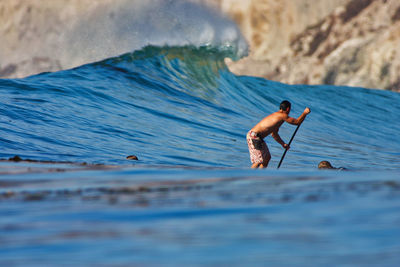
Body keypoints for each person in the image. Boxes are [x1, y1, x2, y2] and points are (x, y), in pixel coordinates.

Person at [247, 100, 311, 168]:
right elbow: (297, 122)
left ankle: (259, 176)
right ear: (288, 109)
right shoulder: (282, 115)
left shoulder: (277, 117)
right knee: (259, 160)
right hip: (254, 136)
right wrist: (305, 113)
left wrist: (283, 144)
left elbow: (274, 134)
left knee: (267, 158)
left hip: (256, 136)